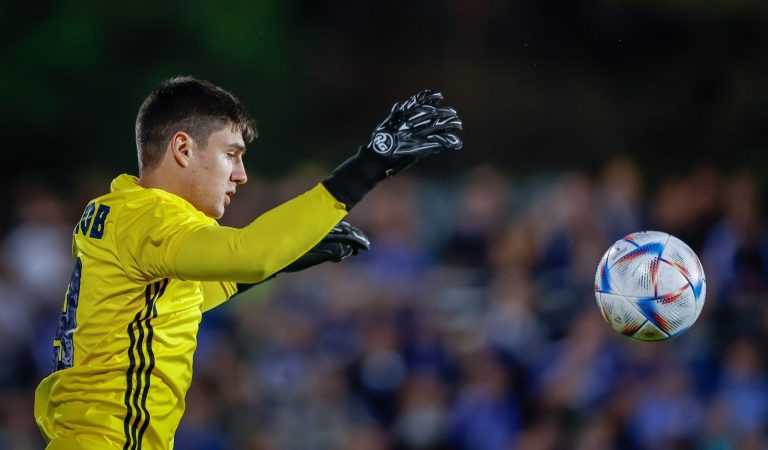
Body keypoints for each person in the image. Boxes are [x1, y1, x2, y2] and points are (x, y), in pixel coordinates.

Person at [33, 76, 462, 450]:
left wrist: (284, 260)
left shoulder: (119, 209)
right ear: (182, 148)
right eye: (231, 154)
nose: (241, 174)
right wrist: (369, 165)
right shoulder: (151, 218)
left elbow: (175, 302)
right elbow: (248, 254)